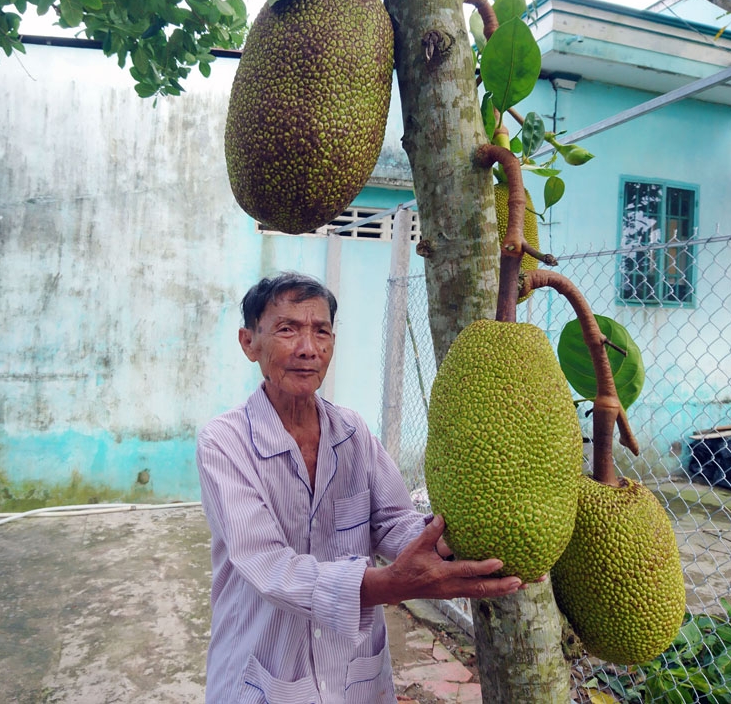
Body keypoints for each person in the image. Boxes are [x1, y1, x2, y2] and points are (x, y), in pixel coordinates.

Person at [196, 272, 525, 704]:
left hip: (355, 678)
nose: (307, 348)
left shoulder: (351, 431)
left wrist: (452, 545)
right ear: (249, 342)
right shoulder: (224, 441)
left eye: (321, 331)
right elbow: (268, 565)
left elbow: (392, 520)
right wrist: (392, 584)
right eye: (287, 329)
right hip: (263, 669)